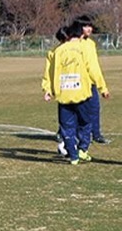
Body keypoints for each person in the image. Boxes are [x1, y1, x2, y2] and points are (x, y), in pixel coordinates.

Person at [44, 25, 109, 164]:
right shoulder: (83, 49)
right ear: (79, 36)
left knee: (66, 127)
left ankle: (73, 157)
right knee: (86, 123)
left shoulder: (56, 51)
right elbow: (93, 69)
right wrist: (102, 87)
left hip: (63, 95)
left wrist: (48, 89)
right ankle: (82, 149)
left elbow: (49, 72)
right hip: (82, 94)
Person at [74, 17, 109, 144]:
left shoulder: (90, 44)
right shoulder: (73, 43)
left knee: (94, 108)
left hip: (90, 83)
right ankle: (67, 133)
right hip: (76, 83)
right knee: (74, 110)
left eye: (90, 26)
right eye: (86, 26)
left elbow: (94, 67)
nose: (89, 29)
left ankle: (96, 134)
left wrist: (101, 86)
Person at [42, 28, 71, 156]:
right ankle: (65, 144)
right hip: (63, 90)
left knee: (80, 118)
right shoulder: (53, 53)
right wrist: (47, 89)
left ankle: (70, 144)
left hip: (78, 89)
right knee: (67, 119)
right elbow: (48, 73)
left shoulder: (77, 50)